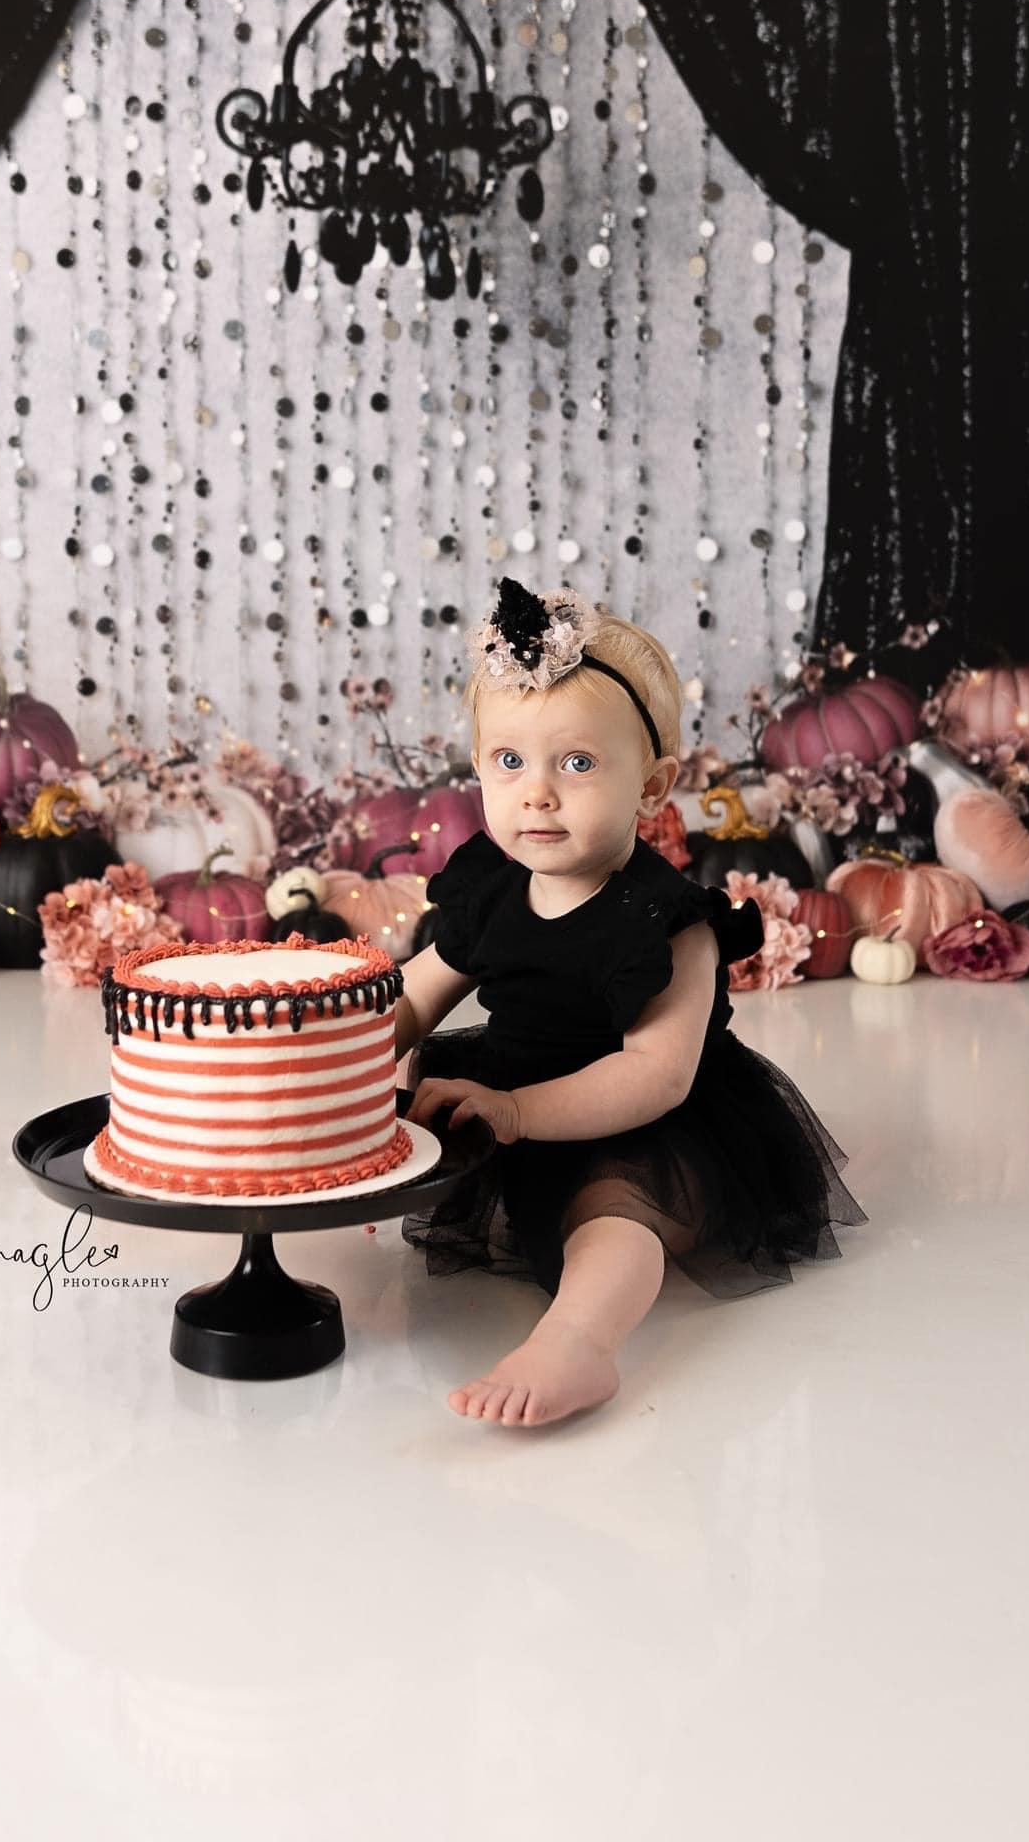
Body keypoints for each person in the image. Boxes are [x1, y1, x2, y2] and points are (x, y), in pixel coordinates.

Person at [392, 578, 868, 1427]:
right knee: (415, 1106)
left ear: (652, 788)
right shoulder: (490, 887)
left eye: (577, 764)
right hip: (513, 1099)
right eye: (509, 762)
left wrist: (516, 1111)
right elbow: (414, 1000)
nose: (537, 793)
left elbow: (656, 1076)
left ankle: (579, 1340)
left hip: (649, 1125)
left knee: (616, 1219)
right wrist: (323, 1052)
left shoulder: (666, 922)